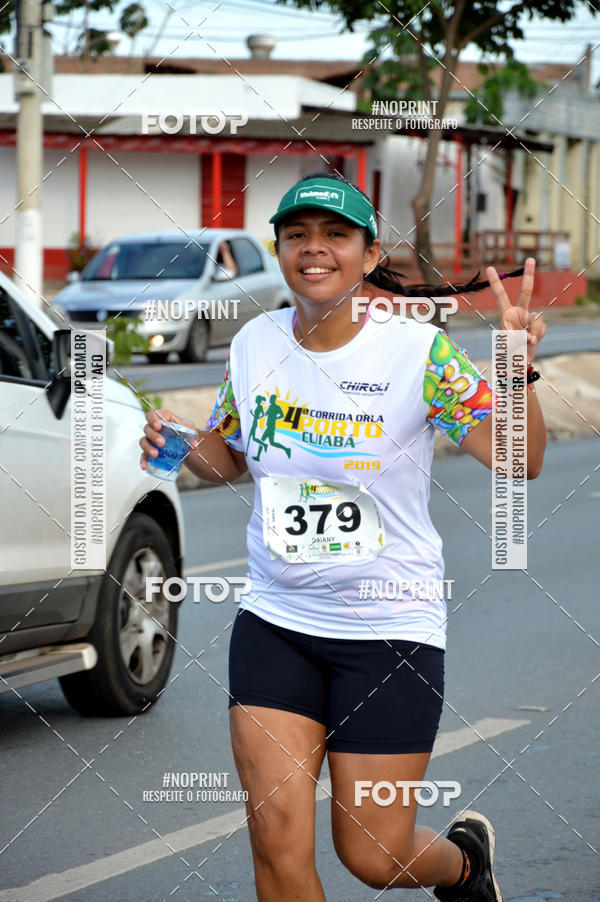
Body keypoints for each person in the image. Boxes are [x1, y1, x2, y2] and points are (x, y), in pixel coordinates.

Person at [140, 171, 547, 901]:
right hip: (276, 622)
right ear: (279, 250)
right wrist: (180, 445)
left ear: (369, 255)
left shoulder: (419, 352)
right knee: (276, 847)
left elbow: (521, 459)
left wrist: (516, 368)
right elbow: (229, 456)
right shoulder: (255, 343)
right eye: (297, 234)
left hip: (389, 629)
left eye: (336, 234)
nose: (314, 248)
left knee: (375, 857)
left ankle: (463, 866)